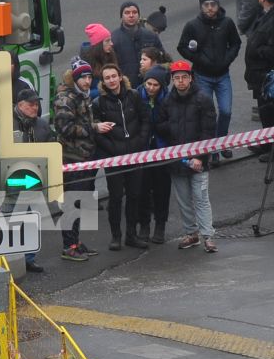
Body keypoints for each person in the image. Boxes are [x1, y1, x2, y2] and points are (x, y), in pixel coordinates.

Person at [157, 61, 217, 253]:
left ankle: (208, 236)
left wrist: (200, 156)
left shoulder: (203, 99)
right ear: (172, 80)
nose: (180, 81)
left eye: (184, 77)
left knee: (200, 198)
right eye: (177, 78)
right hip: (177, 160)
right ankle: (191, 233)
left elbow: (208, 131)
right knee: (183, 198)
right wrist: (170, 130)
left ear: (191, 78)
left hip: (199, 160)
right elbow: (160, 124)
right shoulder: (167, 101)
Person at [91, 64, 150, 250]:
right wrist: (113, 149)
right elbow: (97, 133)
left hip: (135, 155)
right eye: (107, 78)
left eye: (113, 76)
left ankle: (131, 235)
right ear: (103, 82)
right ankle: (116, 236)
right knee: (115, 197)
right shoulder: (98, 103)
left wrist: (139, 141)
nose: (111, 80)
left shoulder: (134, 96)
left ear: (120, 76)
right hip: (113, 158)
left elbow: (146, 120)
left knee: (134, 195)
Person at [52, 61, 99, 261]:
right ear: (75, 78)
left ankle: (75, 242)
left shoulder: (82, 96)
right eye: (83, 77)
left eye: (89, 77)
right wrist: (94, 128)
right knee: (71, 203)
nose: (87, 81)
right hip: (71, 158)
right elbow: (65, 129)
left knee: (79, 202)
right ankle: (68, 246)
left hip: (84, 157)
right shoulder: (65, 99)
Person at [178, 0, 240, 139]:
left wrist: (227, 60)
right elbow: (182, 47)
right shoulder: (192, 25)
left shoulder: (227, 23)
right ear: (201, 7)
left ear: (218, 5)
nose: (210, 8)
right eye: (206, 5)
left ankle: (220, 142)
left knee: (226, 111)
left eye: (213, 4)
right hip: (202, 77)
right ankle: (210, 146)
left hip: (223, 76)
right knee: (207, 113)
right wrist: (199, 59)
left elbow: (235, 44)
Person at [136, 65, 172, 246]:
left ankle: (160, 225)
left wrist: (157, 128)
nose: (150, 88)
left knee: (162, 190)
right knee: (142, 189)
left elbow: (171, 125)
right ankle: (144, 224)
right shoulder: (136, 97)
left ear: (162, 87)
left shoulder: (168, 101)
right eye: (148, 83)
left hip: (162, 150)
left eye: (155, 85)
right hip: (143, 151)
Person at [111, 0, 163, 82]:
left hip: (150, 85)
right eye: (127, 13)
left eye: (134, 12)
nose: (131, 15)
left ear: (138, 15)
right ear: (121, 16)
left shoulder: (151, 36)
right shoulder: (113, 38)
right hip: (125, 87)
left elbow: (163, 61)